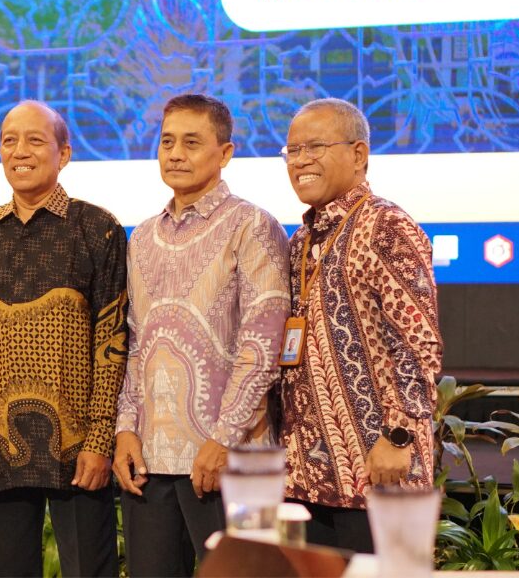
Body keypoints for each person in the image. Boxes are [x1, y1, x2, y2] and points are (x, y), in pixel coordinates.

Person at [0, 102, 127, 578]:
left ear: (64, 154)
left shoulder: (96, 228)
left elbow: (113, 344)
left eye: (35, 140)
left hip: (80, 450)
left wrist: (100, 438)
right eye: (8, 140)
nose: (19, 151)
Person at [114, 93, 289, 576]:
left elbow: (263, 345)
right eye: (167, 142)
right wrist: (125, 429)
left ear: (225, 152)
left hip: (234, 460)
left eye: (191, 143)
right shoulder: (142, 236)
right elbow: (135, 343)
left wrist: (224, 438)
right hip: (151, 461)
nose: (175, 154)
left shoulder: (251, 225)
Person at [279, 100, 442, 553]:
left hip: (379, 471)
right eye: (292, 151)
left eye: (315, 147)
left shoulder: (386, 225)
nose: (301, 161)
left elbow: (418, 343)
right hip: (309, 478)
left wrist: (398, 436)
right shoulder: (301, 240)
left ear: (359, 154)